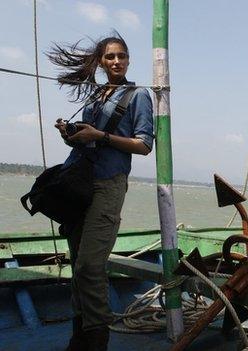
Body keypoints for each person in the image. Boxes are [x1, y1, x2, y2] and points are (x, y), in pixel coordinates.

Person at [49, 34, 153, 351]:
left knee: (90, 267)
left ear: (129, 59)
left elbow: (144, 145)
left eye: (121, 56)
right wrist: (70, 134)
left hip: (108, 184)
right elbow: (88, 139)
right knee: (78, 261)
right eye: (110, 57)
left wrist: (101, 136)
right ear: (102, 62)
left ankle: (97, 338)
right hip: (78, 182)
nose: (116, 61)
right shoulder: (96, 95)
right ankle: (79, 335)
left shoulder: (138, 95)